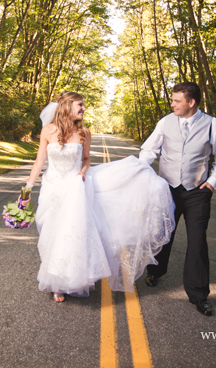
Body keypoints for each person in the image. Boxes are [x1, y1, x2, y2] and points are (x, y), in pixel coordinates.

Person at [21, 91, 175, 303]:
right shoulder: (47, 131)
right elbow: (39, 162)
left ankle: (63, 282)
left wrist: (82, 174)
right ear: (66, 106)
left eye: (83, 105)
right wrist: (27, 190)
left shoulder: (84, 132)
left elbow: (85, 160)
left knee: (71, 234)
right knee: (51, 233)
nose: (84, 109)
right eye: (80, 105)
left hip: (75, 188)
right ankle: (55, 278)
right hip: (52, 189)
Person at [139, 82, 216, 316]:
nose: (172, 104)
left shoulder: (212, 125)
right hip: (167, 189)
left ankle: (199, 295)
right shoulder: (165, 122)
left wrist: (211, 184)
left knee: (198, 242)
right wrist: (140, 169)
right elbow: (150, 149)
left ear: (191, 102)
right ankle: (155, 272)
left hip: (198, 192)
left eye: (177, 100)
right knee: (163, 234)